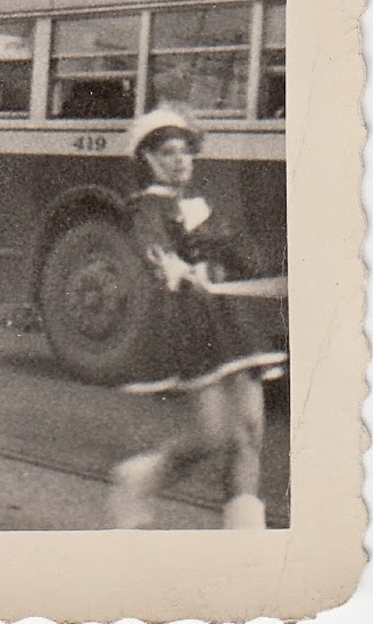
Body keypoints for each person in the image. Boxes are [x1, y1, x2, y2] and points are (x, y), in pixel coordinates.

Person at [105, 107, 287, 530]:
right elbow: (154, 250)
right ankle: (138, 479)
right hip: (196, 327)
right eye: (168, 152)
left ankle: (245, 544)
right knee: (212, 436)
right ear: (147, 159)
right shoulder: (145, 208)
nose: (181, 160)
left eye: (185, 152)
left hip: (238, 323)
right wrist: (177, 269)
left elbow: (244, 255)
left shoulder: (201, 206)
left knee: (249, 433)